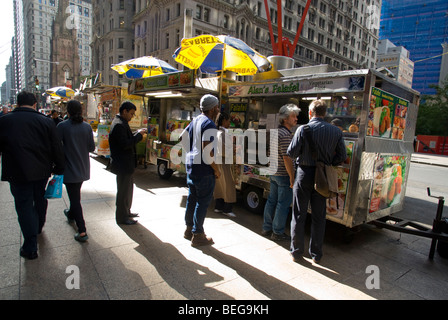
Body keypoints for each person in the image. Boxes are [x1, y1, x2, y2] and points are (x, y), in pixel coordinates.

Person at [0, 91, 65, 259]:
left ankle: (30, 246)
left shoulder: (5, 121)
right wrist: (59, 167)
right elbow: (56, 147)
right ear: (35, 104)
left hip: (17, 172)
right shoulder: (46, 121)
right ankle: (38, 227)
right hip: (42, 171)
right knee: (39, 198)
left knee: (24, 206)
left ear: (18, 103)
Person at [287, 99, 347, 263]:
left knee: (299, 214)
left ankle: (297, 252)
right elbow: (342, 156)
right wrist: (327, 164)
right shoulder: (335, 131)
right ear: (325, 113)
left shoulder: (303, 129)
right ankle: (316, 254)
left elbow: (291, 153)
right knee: (319, 216)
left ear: (310, 112)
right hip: (323, 176)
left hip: (304, 174)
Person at [182, 94, 221, 247]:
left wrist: (191, 153)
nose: (218, 109)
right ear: (212, 108)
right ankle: (198, 235)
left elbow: (182, 136)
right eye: (217, 106)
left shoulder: (195, 120)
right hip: (204, 170)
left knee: (192, 199)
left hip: (192, 167)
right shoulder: (209, 124)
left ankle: (188, 230)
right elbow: (207, 150)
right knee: (202, 202)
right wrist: (216, 170)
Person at [56, 100, 95, 242]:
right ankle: (71, 214)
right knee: (75, 195)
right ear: (81, 111)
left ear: (68, 111)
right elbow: (91, 148)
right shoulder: (87, 127)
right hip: (82, 168)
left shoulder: (62, 126)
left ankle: (82, 231)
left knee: (75, 199)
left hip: (69, 169)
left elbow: (56, 147)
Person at [262, 104, 300, 241]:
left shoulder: (275, 132)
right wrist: (292, 177)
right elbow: (287, 158)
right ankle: (277, 232)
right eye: (293, 116)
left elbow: (269, 153)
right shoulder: (285, 135)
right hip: (283, 174)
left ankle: (266, 228)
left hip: (273, 172)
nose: (296, 118)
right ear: (285, 119)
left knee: (272, 200)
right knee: (282, 204)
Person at [108, 101, 147, 225]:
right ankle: (121, 217)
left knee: (128, 190)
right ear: (124, 111)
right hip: (123, 165)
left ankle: (126, 211)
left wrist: (137, 133)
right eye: (131, 113)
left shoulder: (121, 123)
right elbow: (125, 144)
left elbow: (126, 138)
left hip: (126, 165)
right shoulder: (119, 125)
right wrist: (139, 136)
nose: (132, 116)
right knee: (123, 192)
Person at [213, 112, 236, 218]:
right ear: (223, 121)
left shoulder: (217, 132)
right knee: (228, 185)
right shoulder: (222, 133)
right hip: (223, 161)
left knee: (220, 185)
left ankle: (218, 206)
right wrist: (234, 149)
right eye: (228, 120)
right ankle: (227, 209)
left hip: (218, 161)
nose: (229, 122)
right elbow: (223, 150)